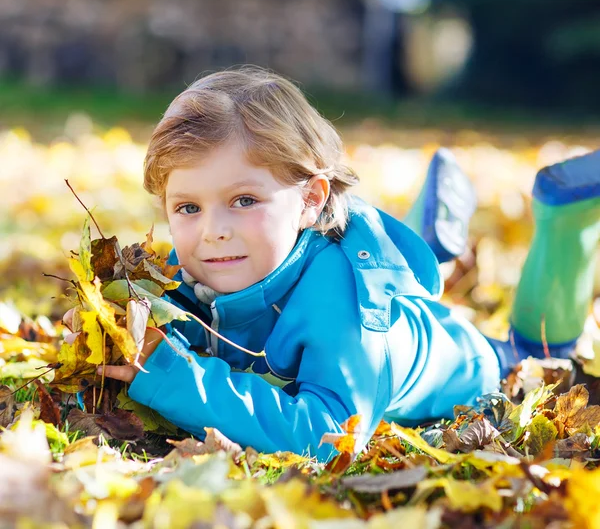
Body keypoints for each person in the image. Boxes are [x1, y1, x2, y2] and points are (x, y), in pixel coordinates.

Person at [83, 67, 599, 460]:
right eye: (188, 208)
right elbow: (176, 330)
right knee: (417, 270)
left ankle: (566, 221)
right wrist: (111, 328)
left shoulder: (342, 305)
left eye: (244, 200)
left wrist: (171, 375)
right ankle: (435, 238)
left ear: (310, 199)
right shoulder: (196, 261)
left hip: (463, 363)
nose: (213, 229)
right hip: (375, 321)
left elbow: (330, 437)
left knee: (534, 352)